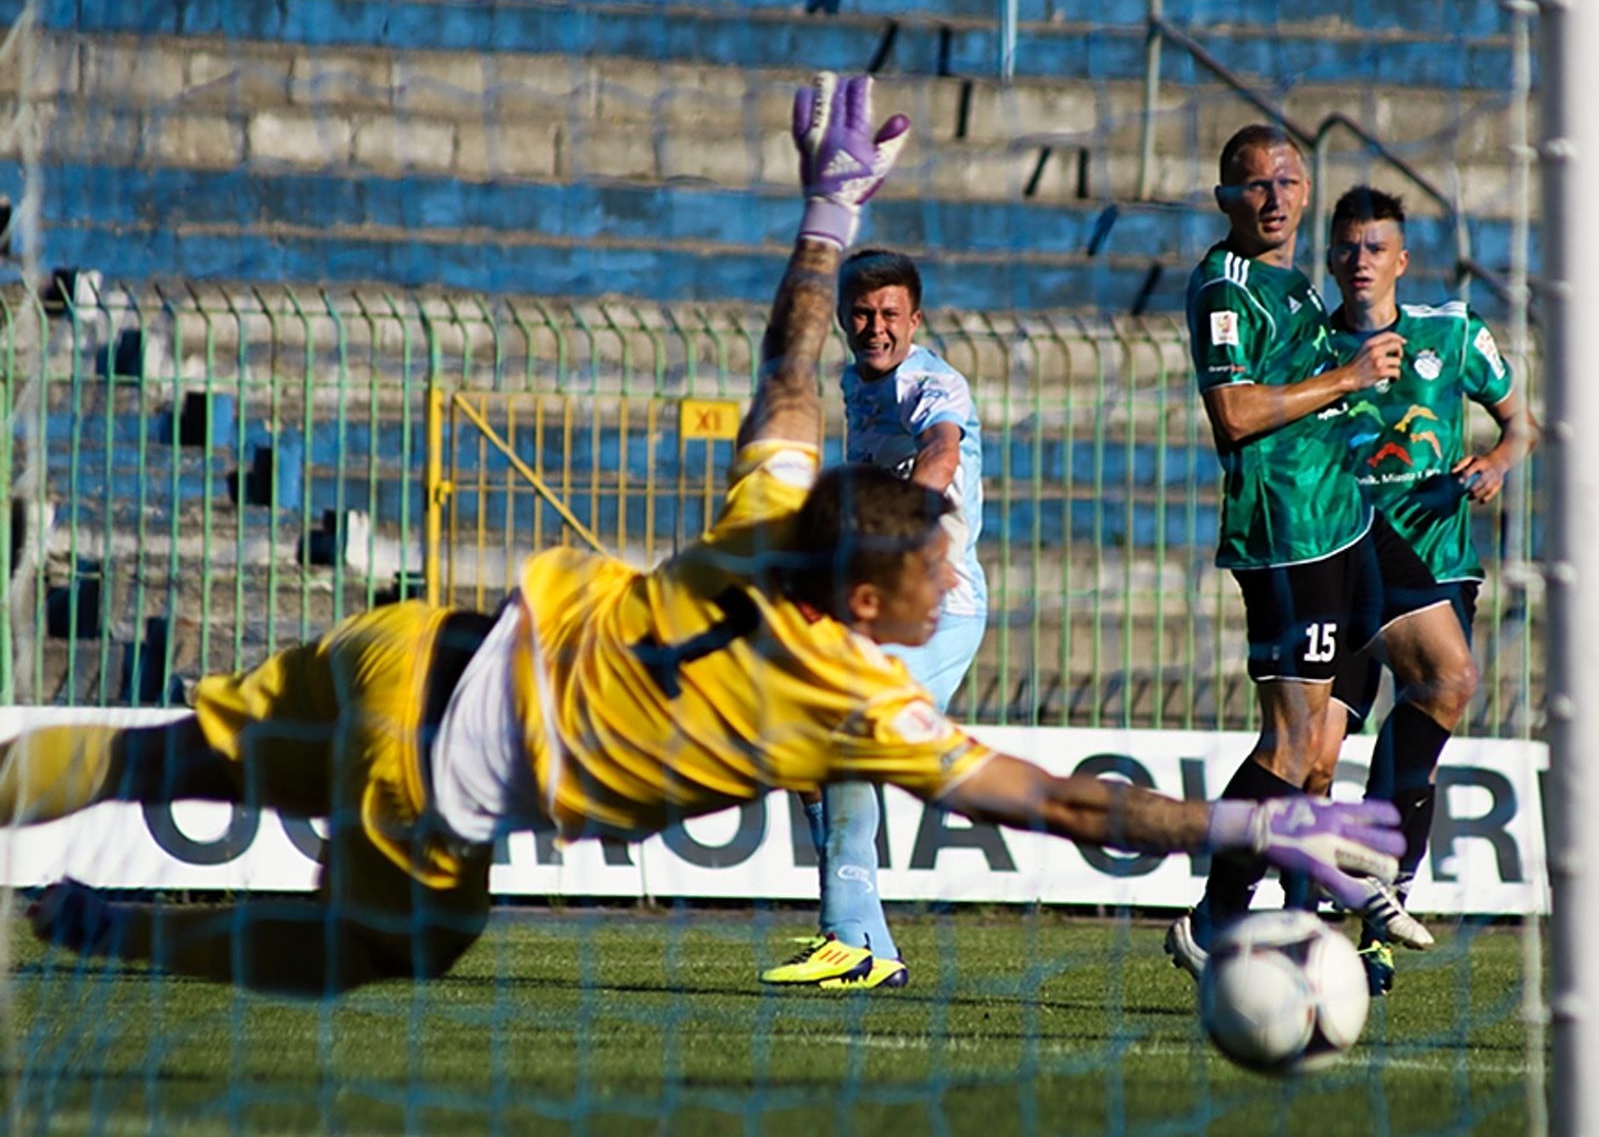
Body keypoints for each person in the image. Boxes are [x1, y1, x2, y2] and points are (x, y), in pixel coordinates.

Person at [6, 73, 1404, 997]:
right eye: (925, 576)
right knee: (405, 938)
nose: (942, 588)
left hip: (413, 643)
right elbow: (1072, 804)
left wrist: (826, 209)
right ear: (865, 600)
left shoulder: (758, 526)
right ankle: (112, 930)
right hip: (437, 773)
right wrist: (1251, 819)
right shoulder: (856, 698)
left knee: (163, 750)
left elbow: (787, 374)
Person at [1165, 125, 1446, 980]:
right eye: (1257, 185)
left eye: (1290, 181)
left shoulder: (1294, 285)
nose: (1277, 197)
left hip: (1346, 520)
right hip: (1289, 535)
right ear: (1226, 199)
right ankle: (1220, 913)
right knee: (1292, 750)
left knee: (1445, 669)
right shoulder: (1227, 284)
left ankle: (1366, 864)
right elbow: (1237, 415)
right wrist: (1347, 378)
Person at [1320, 185, 1539, 995]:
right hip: (1341, 564)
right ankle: (1297, 912)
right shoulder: (1313, 345)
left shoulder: (1451, 333)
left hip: (1438, 564)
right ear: (1332, 259)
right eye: (1347, 247)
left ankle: (1383, 909)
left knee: (1421, 733)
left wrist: (1493, 464)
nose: (1361, 260)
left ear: (1401, 261)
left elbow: (1521, 422)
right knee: (1317, 742)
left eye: (1376, 247)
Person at [760, 249, 988, 991]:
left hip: (937, 606)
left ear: (915, 320)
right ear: (842, 319)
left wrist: (897, 532)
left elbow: (943, 450)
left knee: (847, 740)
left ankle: (845, 933)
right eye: (862, 313)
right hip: (884, 606)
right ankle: (865, 941)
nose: (875, 327)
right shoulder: (854, 381)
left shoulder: (933, 383)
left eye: (891, 314)